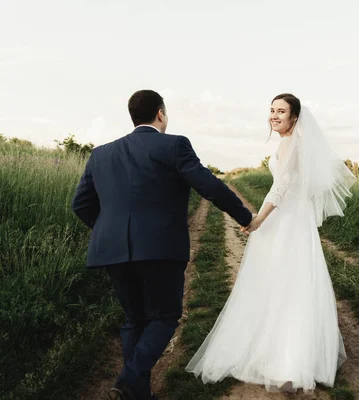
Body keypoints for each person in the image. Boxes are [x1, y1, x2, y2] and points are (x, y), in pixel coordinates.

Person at [71, 90, 254, 400]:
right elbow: (209, 185)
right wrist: (245, 217)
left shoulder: (101, 154)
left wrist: (110, 232)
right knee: (165, 317)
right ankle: (128, 380)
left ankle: (136, 395)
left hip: (113, 251)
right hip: (160, 249)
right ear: (160, 114)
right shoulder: (174, 145)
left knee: (134, 320)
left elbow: (81, 204)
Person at [186, 93, 357, 393]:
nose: (274, 116)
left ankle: (289, 364)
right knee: (292, 283)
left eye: (281, 111)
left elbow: (282, 188)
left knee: (283, 284)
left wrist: (258, 220)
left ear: (294, 117)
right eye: (271, 110)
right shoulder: (289, 143)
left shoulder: (292, 143)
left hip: (287, 222)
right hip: (295, 221)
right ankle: (294, 358)